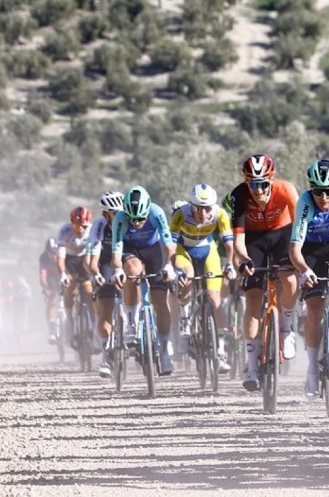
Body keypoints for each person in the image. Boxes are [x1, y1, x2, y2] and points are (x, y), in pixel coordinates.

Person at [227, 154, 302, 391]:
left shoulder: (287, 190)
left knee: (289, 280)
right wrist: (244, 260)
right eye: (252, 184)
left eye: (262, 184)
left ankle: (287, 326)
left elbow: (301, 227)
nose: (257, 190)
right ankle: (251, 366)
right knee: (253, 297)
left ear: (271, 180)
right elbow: (239, 240)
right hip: (254, 241)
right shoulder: (239, 195)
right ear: (245, 182)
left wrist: (299, 258)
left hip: (283, 235)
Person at [290, 158, 329, 398]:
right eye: (318, 191)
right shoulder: (305, 203)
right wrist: (304, 270)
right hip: (311, 250)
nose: (324, 197)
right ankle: (313, 368)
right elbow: (295, 249)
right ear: (311, 189)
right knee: (315, 308)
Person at [109, 184, 178, 377]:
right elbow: (116, 251)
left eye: (141, 218)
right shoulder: (120, 219)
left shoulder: (156, 213)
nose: (137, 222)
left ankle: (164, 351)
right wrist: (117, 269)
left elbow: (168, 246)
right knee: (132, 271)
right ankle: (132, 322)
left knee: (160, 302)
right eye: (134, 218)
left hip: (153, 250)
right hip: (131, 250)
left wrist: (169, 266)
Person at [169, 182, 237, 374]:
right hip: (185, 251)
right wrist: (172, 266)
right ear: (192, 206)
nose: (203, 213)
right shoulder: (181, 213)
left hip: (208, 251)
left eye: (207, 208)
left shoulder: (220, 214)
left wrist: (230, 264)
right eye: (199, 208)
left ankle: (221, 351)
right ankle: (185, 315)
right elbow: (171, 245)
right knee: (188, 276)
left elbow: (229, 245)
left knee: (215, 299)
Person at [87, 191, 124, 377]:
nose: (118, 217)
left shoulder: (129, 222)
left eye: (120, 212)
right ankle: (106, 355)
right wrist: (96, 274)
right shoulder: (99, 227)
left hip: (128, 263)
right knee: (105, 312)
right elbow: (93, 260)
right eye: (113, 213)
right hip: (107, 264)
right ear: (105, 215)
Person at [55, 206, 95, 338]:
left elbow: (96, 255)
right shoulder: (65, 231)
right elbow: (60, 258)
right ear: (72, 225)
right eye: (77, 227)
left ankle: (92, 325)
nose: (80, 230)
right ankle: (70, 324)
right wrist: (62, 274)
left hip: (86, 259)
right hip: (69, 260)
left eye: (83, 226)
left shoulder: (92, 230)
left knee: (89, 293)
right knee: (70, 288)